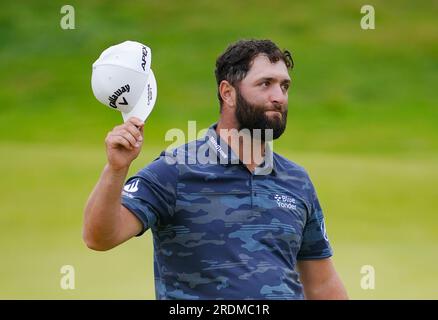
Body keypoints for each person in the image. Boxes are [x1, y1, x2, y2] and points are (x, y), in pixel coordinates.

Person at [83, 39, 348, 300]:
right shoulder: (174, 171)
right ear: (228, 92)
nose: (279, 97)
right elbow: (100, 237)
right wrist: (117, 169)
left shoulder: (296, 179)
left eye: (284, 86)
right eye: (265, 84)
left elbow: (322, 287)